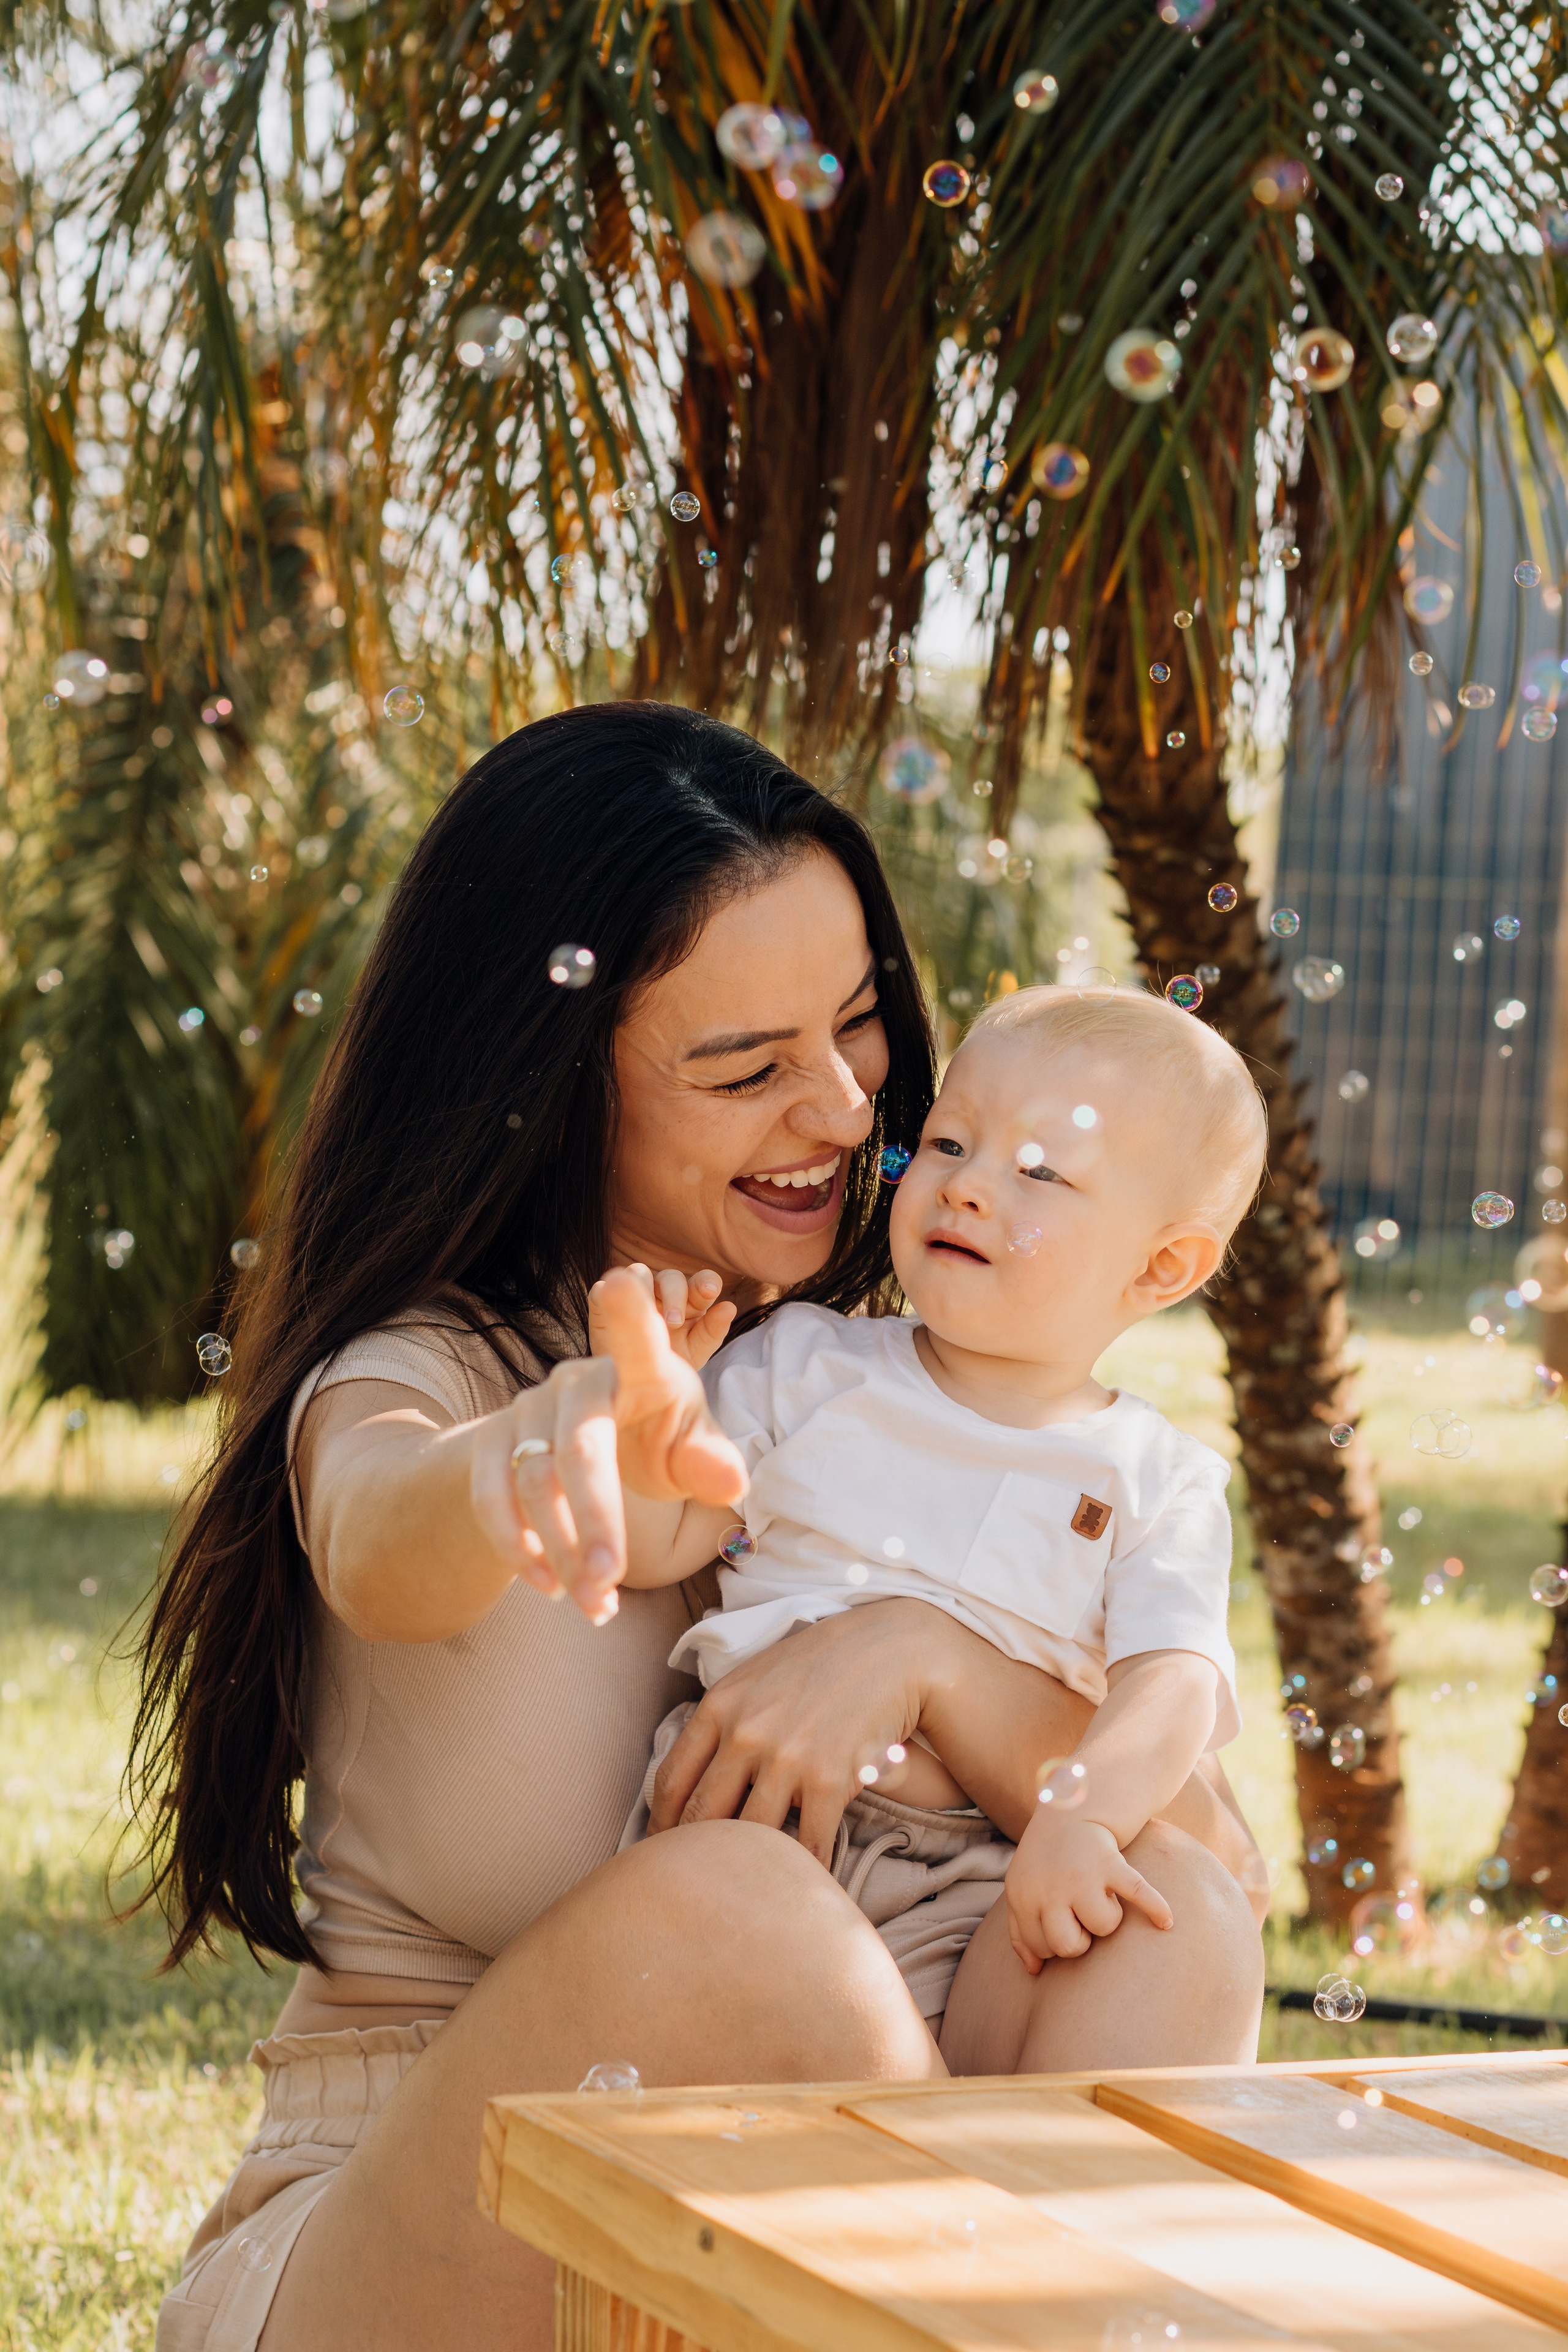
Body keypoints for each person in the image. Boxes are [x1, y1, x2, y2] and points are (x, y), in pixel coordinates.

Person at [134, 703, 1264, 2352]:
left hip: (802, 2247)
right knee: (735, 1909)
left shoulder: (890, 1387)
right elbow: (380, 1526)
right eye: (745, 1069)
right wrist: (535, 1452)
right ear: (550, 1081)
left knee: (1171, 1913)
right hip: (437, 2238)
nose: (844, 1112)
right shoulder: (427, 1377)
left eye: (859, 1027)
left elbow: (1208, 1852)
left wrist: (921, 1659)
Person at [601, 981, 1266, 2042]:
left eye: (1040, 1171)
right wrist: (650, 1409)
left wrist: (1083, 1818)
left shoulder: (1157, 1476)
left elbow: (1171, 1684)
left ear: (1161, 1265)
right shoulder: (801, 1364)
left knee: (1143, 1946)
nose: (968, 1187)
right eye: (950, 1143)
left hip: (1003, 1868)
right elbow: (657, 1544)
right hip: (764, 1826)